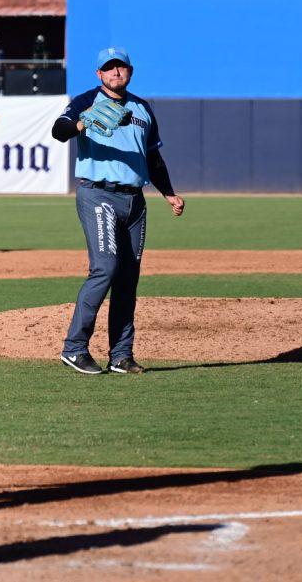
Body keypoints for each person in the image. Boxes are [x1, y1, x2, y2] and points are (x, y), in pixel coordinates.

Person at [51, 46, 185, 375]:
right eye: (108, 68)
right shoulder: (86, 101)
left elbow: (152, 158)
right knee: (105, 269)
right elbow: (58, 131)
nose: (115, 73)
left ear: (130, 71)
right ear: (99, 74)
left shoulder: (142, 109)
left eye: (120, 67)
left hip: (134, 201)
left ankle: (121, 355)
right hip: (98, 194)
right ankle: (74, 348)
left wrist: (168, 193)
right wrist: (81, 125)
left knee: (128, 278)